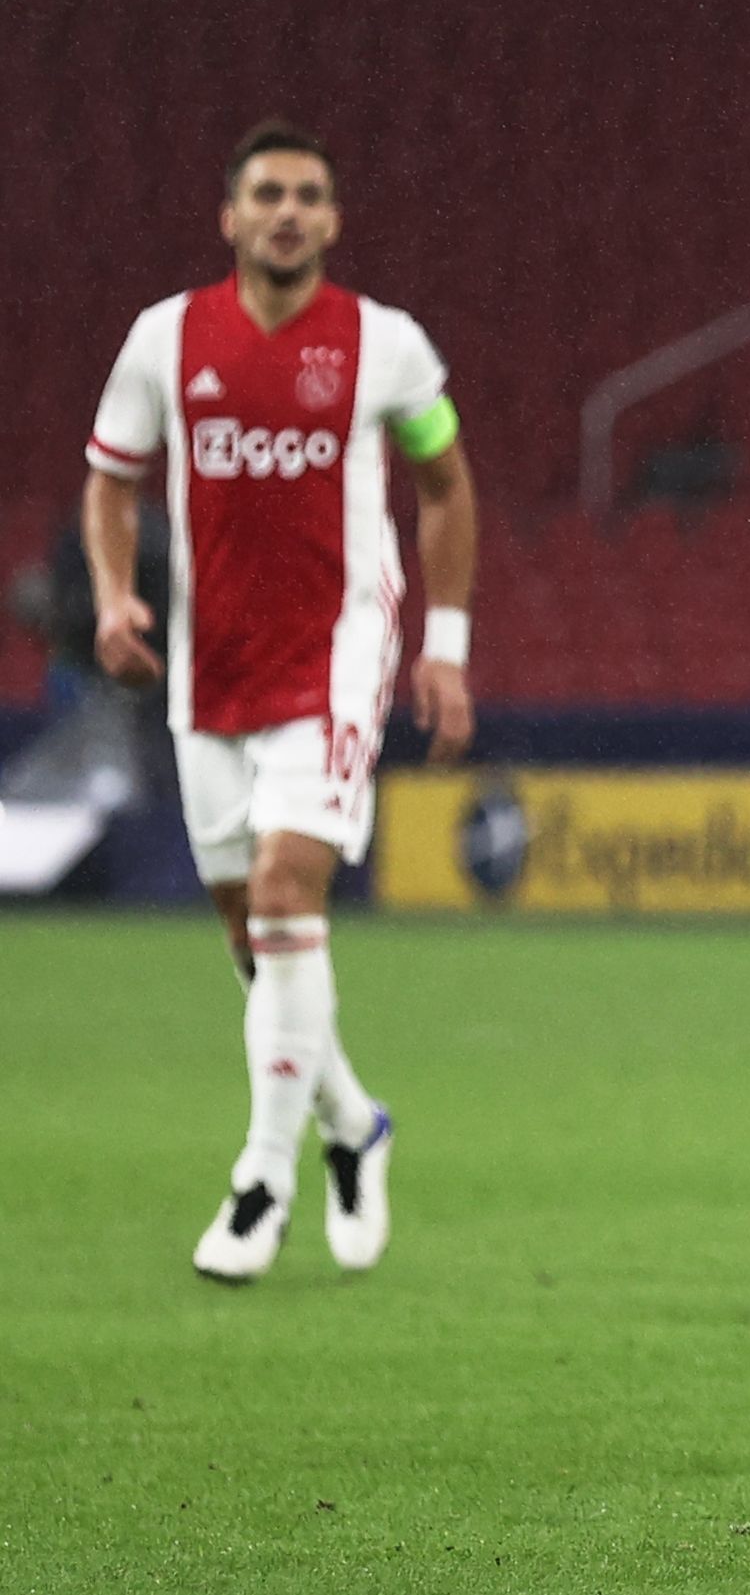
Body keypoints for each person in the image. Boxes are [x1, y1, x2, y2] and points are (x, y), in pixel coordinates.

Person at [80, 123, 480, 1284]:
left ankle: (262, 1180)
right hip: (211, 670)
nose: (287, 211)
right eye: (267, 193)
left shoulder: (385, 345)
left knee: (284, 890)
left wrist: (445, 645)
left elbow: (446, 484)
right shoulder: (165, 339)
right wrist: (112, 594)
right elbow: (110, 478)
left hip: (337, 654)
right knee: (255, 938)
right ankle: (353, 1121)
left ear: (334, 219)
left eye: (308, 193)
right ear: (231, 215)